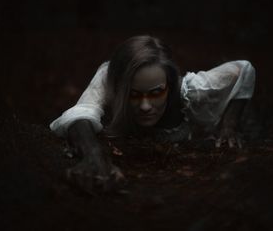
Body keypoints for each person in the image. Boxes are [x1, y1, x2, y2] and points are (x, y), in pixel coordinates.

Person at [50, 35, 256, 193]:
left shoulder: (188, 90)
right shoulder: (108, 77)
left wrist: (229, 126)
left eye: (156, 92)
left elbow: (244, 69)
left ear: (169, 84)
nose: (145, 106)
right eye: (134, 94)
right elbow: (81, 113)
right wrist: (92, 154)